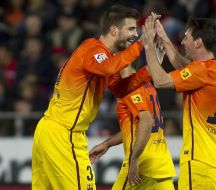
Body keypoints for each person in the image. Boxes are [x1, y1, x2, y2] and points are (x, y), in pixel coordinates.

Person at [32, 5, 154, 190]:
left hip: (50, 130)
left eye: (136, 30)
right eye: (131, 29)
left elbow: (120, 89)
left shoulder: (104, 57)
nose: (135, 34)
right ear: (114, 30)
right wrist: (141, 45)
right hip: (64, 134)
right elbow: (106, 68)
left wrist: (150, 70)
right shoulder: (93, 49)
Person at [142, 14, 216, 190]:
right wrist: (165, 38)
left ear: (198, 42)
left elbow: (160, 81)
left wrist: (148, 47)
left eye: (186, 38)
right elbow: (186, 70)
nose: (182, 42)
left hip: (199, 160)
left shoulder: (200, 71)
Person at [89, 64, 176, 190]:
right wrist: (107, 144)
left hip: (142, 164)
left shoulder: (130, 87)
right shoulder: (146, 83)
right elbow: (138, 127)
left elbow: (146, 121)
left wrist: (134, 159)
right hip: (161, 165)